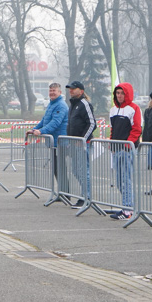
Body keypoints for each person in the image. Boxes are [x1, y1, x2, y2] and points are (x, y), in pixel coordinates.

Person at [108, 82, 142, 220]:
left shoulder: (134, 109)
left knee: (126, 180)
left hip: (127, 150)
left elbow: (137, 129)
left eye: (122, 93)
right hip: (116, 150)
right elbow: (112, 129)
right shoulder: (113, 110)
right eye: (117, 93)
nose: (120, 95)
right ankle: (127, 206)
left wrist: (128, 145)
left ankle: (128, 210)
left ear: (127, 94)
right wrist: (112, 144)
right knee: (119, 181)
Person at [65, 80, 96, 209]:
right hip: (73, 144)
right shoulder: (72, 105)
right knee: (76, 171)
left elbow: (92, 123)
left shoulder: (84, 104)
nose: (71, 90)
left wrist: (82, 139)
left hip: (83, 144)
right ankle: (83, 195)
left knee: (84, 171)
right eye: (70, 89)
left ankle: (86, 197)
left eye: (74, 88)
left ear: (81, 91)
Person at [28, 82, 68, 176]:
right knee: (56, 169)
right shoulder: (51, 104)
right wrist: (34, 129)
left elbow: (55, 122)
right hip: (53, 142)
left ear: (60, 92)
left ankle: (64, 190)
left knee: (60, 169)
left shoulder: (60, 105)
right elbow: (44, 120)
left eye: (54, 91)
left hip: (59, 142)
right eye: (50, 91)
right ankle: (61, 189)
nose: (52, 93)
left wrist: (41, 131)